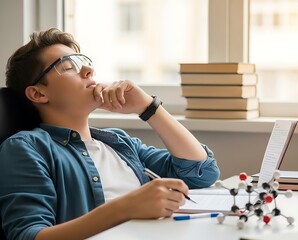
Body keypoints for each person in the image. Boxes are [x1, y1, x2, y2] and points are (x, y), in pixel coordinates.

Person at [0, 28, 220, 240]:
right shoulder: (26, 148)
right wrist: (123, 208)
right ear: (38, 93)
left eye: (85, 63)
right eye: (68, 67)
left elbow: (202, 172)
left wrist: (148, 108)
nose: (88, 70)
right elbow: (28, 235)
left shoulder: (118, 142)